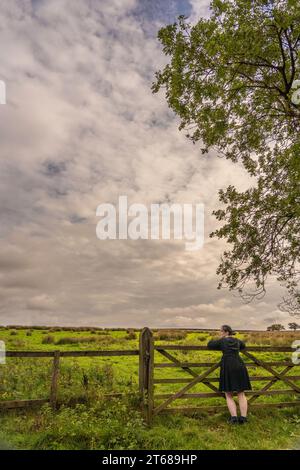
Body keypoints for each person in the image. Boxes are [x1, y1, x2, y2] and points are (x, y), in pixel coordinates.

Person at [207, 325, 252, 424]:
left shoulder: (222, 341)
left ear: (226, 332)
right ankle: (243, 418)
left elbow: (209, 344)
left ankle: (234, 418)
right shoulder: (237, 340)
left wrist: (220, 338)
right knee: (241, 393)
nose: (220, 333)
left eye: (221, 331)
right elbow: (243, 345)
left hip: (228, 366)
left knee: (228, 393)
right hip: (239, 365)